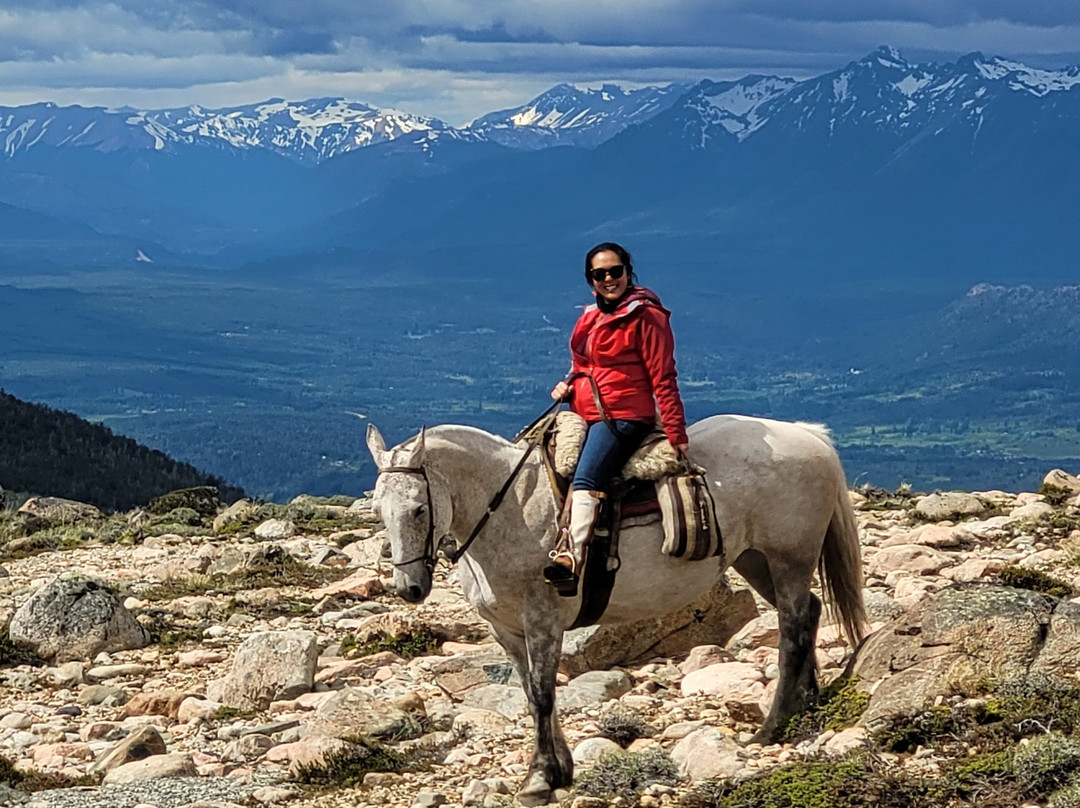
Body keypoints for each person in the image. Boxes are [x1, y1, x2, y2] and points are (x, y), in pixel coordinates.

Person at [543, 241, 688, 595]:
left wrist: (676, 433)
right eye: (600, 274)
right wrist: (568, 384)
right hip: (583, 409)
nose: (608, 279)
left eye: (615, 271)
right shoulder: (591, 316)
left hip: (623, 415)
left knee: (586, 476)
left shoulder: (647, 317)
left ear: (628, 272)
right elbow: (583, 364)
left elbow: (663, 378)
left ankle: (571, 557)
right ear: (590, 280)